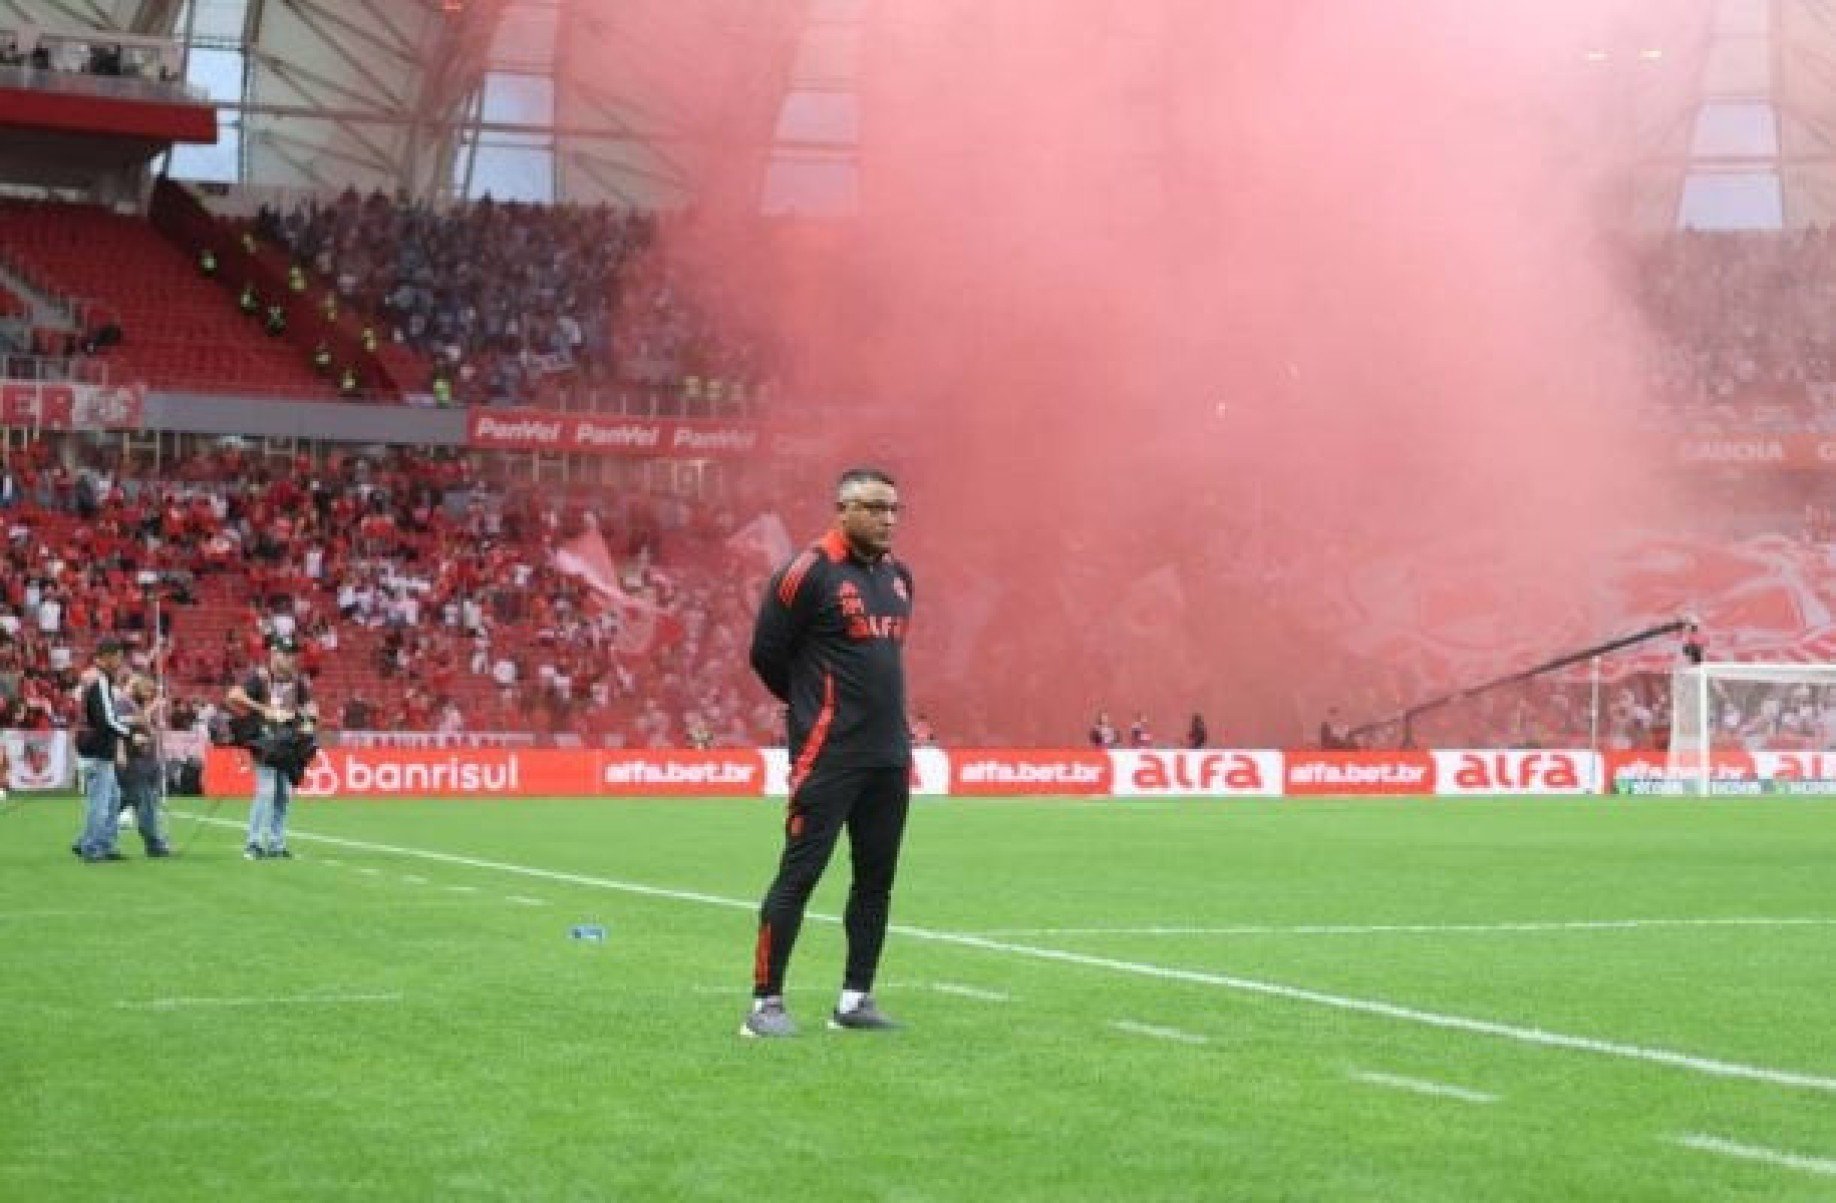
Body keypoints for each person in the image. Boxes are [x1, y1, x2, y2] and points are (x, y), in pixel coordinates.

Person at [742, 467, 914, 1039]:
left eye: (894, 509)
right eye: (875, 508)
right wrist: (812, 708)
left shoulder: (899, 577)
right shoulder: (806, 573)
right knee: (800, 875)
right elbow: (767, 654)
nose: (888, 519)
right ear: (843, 510)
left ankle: (854, 1000)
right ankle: (765, 1005)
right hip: (829, 754)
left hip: (888, 754)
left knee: (875, 881)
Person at [225, 636, 316, 859]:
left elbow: (309, 706)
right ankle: (254, 843)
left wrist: (309, 720)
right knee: (265, 790)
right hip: (265, 741)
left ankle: (277, 844)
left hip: (289, 742)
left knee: (283, 795)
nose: (291, 658)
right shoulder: (261, 677)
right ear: (274, 654)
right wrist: (263, 709)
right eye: (286, 654)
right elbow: (233, 695)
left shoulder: (298, 681)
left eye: (292, 654)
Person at [71, 639, 132, 862]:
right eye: (118, 656)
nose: (120, 661)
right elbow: (106, 718)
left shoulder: (89, 677)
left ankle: (101, 842)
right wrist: (128, 733)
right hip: (97, 749)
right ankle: (92, 846)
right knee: (101, 801)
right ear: (107, 656)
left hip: (91, 746)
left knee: (113, 798)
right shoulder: (100, 680)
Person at [116, 674, 172, 857]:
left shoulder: (137, 705)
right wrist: (151, 711)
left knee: (118, 803)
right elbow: (122, 724)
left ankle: (87, 839)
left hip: (144, 761)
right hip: (135, 762)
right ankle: (154, 844)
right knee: (145, 804)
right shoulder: (123, 704)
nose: (149, 694)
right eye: (147, 690)